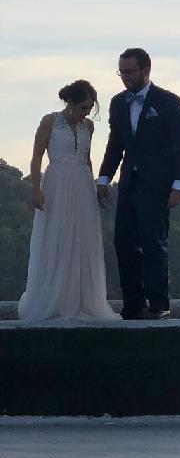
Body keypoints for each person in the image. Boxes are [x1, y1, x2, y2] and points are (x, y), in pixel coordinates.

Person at [96, 48, 180, 321]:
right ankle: (133, 305)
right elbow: (116, 144)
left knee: (154, 243)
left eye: (130, 71)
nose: (125, 77)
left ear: (146, 70)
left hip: (158, 185)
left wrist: (179, 185)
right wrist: (104, 179)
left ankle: (158, 304)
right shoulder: (118, 103)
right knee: (124, 243)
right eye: (121, 72)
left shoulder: (168, 102)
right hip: (129, 184)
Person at [18, 81, 118, 322]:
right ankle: (54, 298)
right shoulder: (49, 122)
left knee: (83, 240)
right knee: (57, 236)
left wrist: (96, 187)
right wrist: (35, 188)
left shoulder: (88, 126)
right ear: (70, 103)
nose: (86, 112)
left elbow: (87, 158)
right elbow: (36, 157)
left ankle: (81, 299)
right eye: (83, 107)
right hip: (57, 184)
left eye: (90, 108)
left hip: (82, 184)